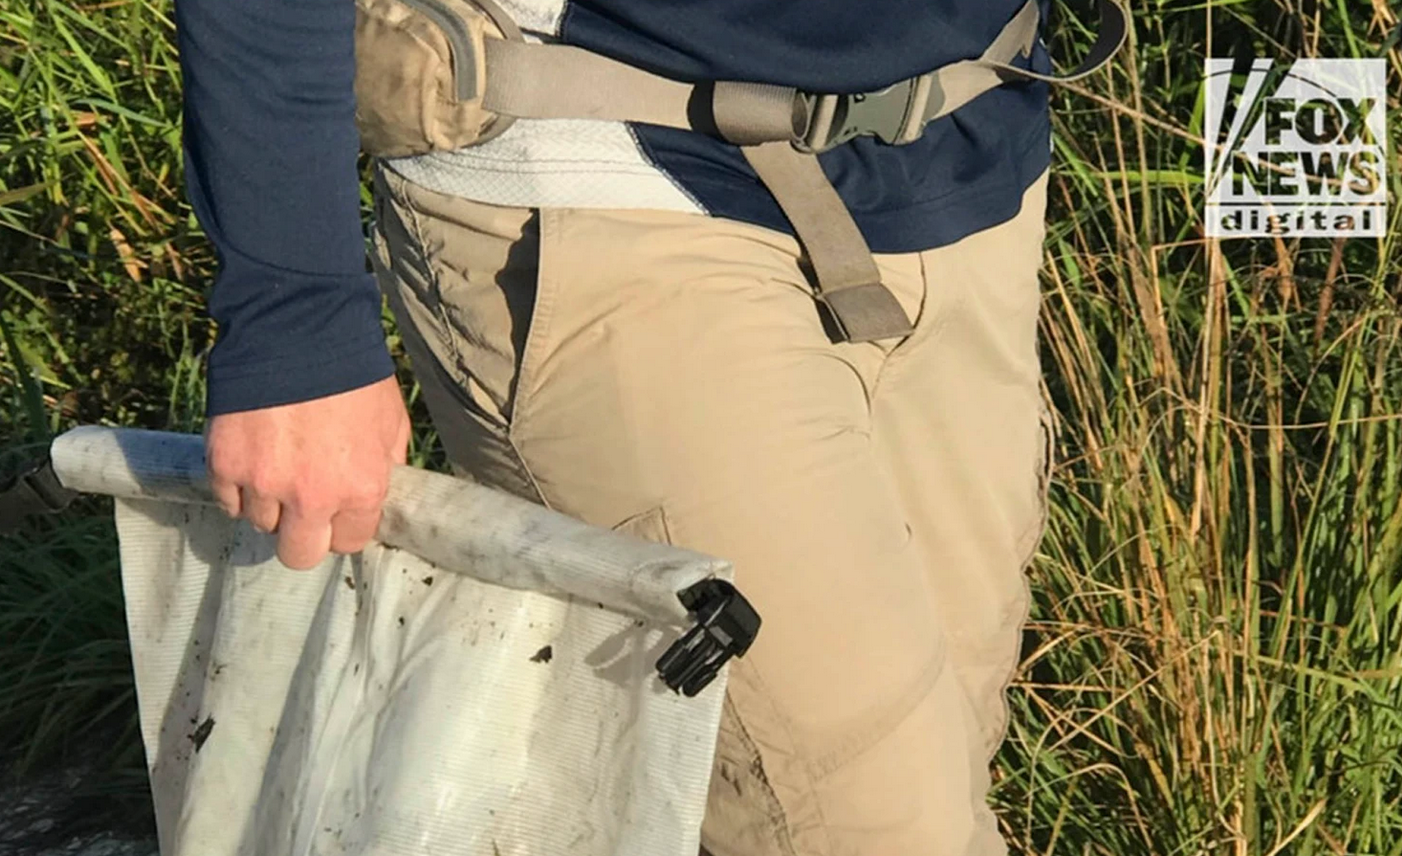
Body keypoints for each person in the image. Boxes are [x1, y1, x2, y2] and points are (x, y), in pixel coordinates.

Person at [177, 0, 1066, 852]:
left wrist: (1219, 190)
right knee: (878, 828)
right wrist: (294, 324)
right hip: (610, 167)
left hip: (974, 154)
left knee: (942, 756)